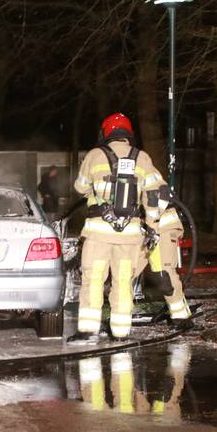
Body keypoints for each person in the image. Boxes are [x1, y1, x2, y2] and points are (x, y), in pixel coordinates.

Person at [71, 112, 164, 340]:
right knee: (123, 282)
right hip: (130, 235)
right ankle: (121, 332)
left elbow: (80, 187)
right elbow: (156, 194)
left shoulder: (94, 155)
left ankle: (87, 330)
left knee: (93, 280)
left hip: (98, 233)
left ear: (106, 133)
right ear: (128, 134)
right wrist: (151, 224)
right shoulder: (142, 158)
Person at [145, 185, 193, 327]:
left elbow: (158, 193)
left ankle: (180, 316)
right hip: (140, 226)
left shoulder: (142, 165)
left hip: (161, 226)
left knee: (163, 274)